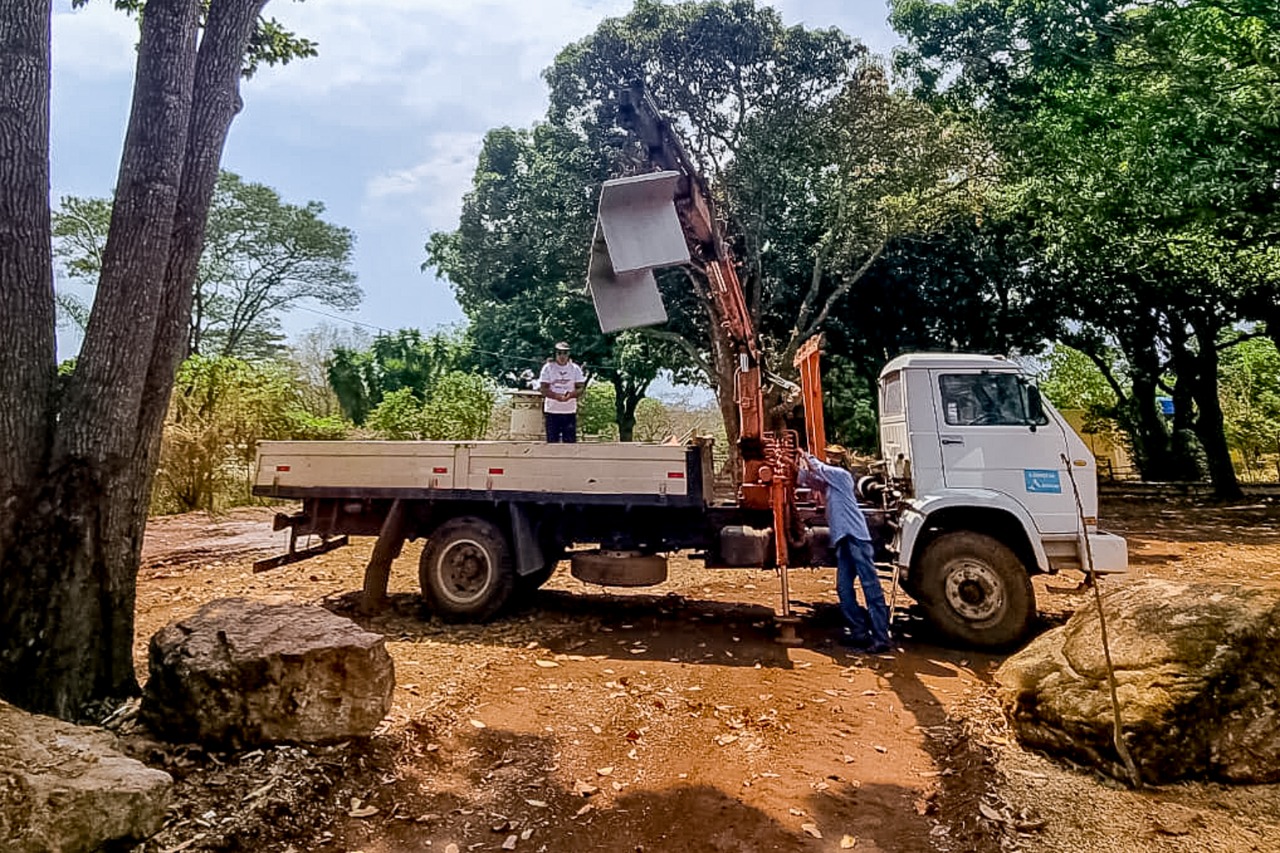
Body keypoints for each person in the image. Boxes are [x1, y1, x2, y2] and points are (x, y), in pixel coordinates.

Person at [797, 446, 893, 653]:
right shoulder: (830, 483)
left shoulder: (841, 476)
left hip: (855, 537)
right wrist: (792, 465)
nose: (831, 458)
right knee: (844, 588)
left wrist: (805, 454)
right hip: (842, 539)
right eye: (829, 455)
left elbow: (818, 468)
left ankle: (881, 636)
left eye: (834, 456)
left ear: (840, 459)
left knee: (870, 586)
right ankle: (859, 632)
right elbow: (808, 479)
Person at [538, 341, 586, 443]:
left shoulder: (575, 369)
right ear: (555, 354)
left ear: (568, 354)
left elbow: (581, 387)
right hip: (552, 411)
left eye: (565, 353)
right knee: (552, 442)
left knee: (569, 443)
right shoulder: (548, 368)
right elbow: (543, 388)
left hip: (569, 411)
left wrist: (571, 395)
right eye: (559, 353)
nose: (562, 356)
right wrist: (556, 396)